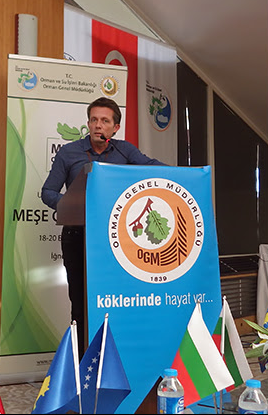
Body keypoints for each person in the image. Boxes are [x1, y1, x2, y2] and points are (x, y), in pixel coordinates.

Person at [41, 96, 166, 355]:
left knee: (117, 299)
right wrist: (70, 204)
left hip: (116, 239)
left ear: (115, 127)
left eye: (105, 121)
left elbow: (153, 168)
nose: (98, 125)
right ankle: (81, 361)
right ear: (88, 123)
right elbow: (48, 191)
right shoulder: (68, 153)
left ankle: (116, 358)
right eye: (94, 120)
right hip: (78, 236)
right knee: (81, 302)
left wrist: (185, 174)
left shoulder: (125, 151)